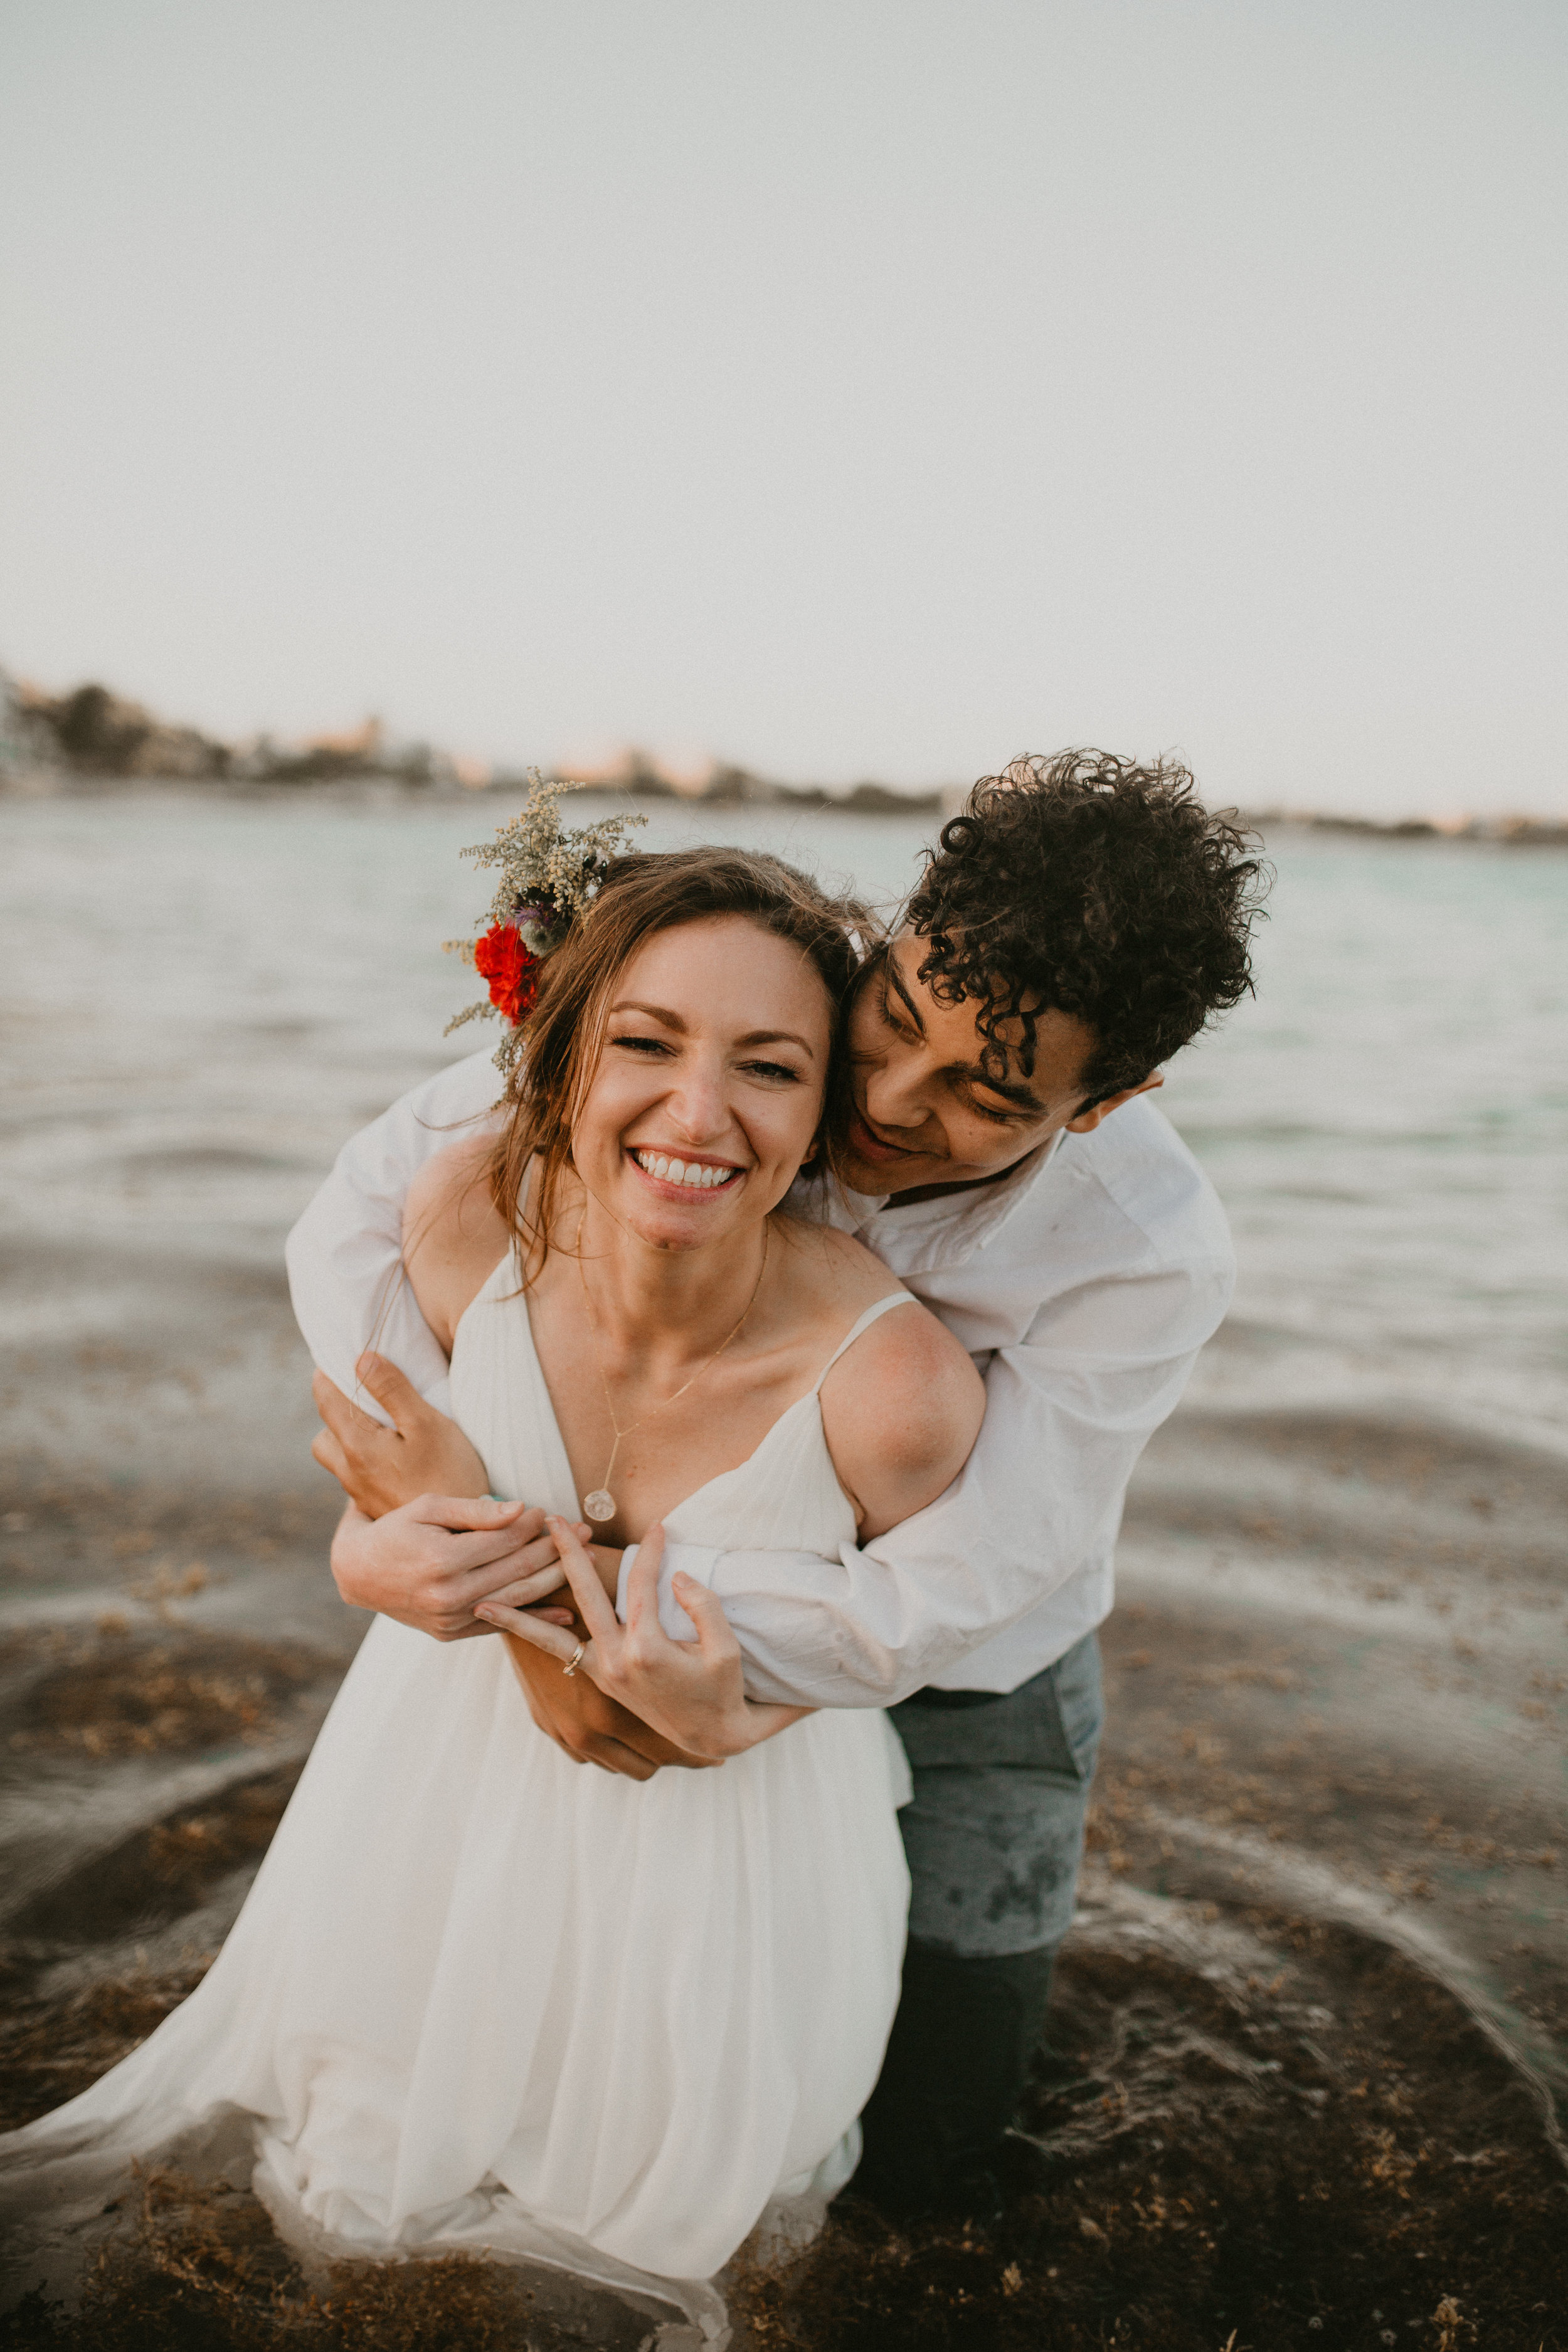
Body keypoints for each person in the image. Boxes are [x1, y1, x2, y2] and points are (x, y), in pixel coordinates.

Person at [0, 842, 985, 2338]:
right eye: (643, 1044)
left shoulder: (896, 1390)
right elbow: (378, 1480)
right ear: (561, 1058)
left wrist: (737, 1701)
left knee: (666, 2208)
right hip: (433, 1782)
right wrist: (362, 1555)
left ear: (823, 1116)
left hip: (729, 1842)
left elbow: (918, 1639)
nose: (697, 1113)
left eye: (769, 1069)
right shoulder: (462, 1224)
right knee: (340, 2179)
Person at [294, 751, 1264, 2222]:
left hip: (973, 1681)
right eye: (891, 1020)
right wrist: (428, 1502)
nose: (884, 1097)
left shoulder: (1143, 1253)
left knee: (933, 2140)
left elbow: (936, 1598)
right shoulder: (759, 1037)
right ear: (892, 933)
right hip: (652, 1587)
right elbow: (359, 1222)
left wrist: (553, 1614)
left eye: (982, 1097)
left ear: (1102, 1103)